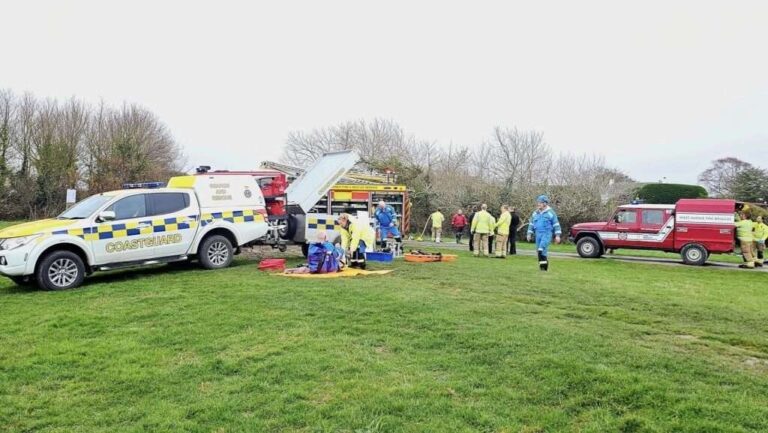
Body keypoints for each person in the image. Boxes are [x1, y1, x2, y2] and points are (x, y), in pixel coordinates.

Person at [526, 195, 562, 271]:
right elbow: (531, 224)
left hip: (546, 234)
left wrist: (557, 235)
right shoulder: (535, 213)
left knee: (541, 249)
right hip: (537, 234)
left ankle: (543, 268)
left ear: (545, 203)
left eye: (540, 203)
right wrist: (529, 233)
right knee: (541, 252)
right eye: (538, 202)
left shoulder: (551, 213)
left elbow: (556, 224)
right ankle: (543, 268)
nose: (538, 204)